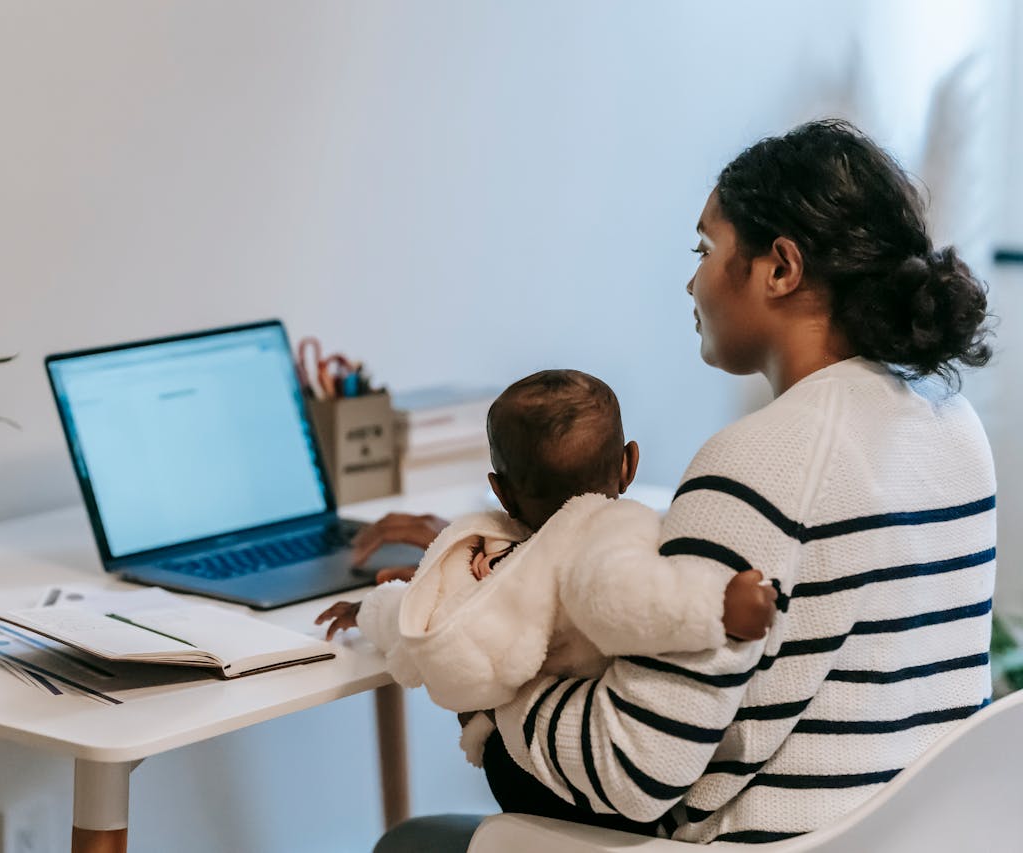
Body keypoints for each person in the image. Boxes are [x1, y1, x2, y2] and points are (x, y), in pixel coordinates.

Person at [366, 119, 996, 850]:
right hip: (909, 836)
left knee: (415, 840)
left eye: (706, 248)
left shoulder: (758, 458)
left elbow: (634, 769)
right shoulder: (952, 425)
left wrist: (483, 651)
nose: (692, 280)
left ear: (780, 268)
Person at [316, 370, 776, 767]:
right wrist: (719, 606)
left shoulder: (490, 565)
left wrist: (365, 611)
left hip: (526, 763)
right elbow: (633, 600)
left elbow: (416, 622)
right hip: (573, 761)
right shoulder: (608, 538)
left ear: (501, 492)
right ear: (629, 465)